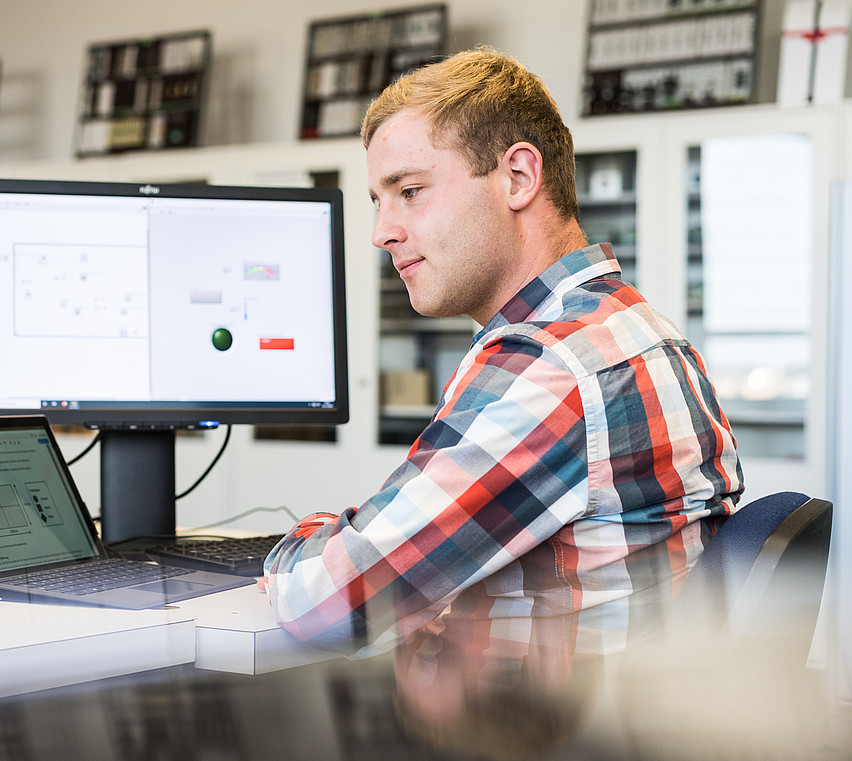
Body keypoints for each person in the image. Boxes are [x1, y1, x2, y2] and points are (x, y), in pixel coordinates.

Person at [262, 47, 744, 653]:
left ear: (518, 178)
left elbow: (327, 600)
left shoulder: (554, 365)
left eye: (409, 191)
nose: (382, 232)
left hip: (555, 735)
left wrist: (310, 540)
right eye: (377, 202)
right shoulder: (636, 326)